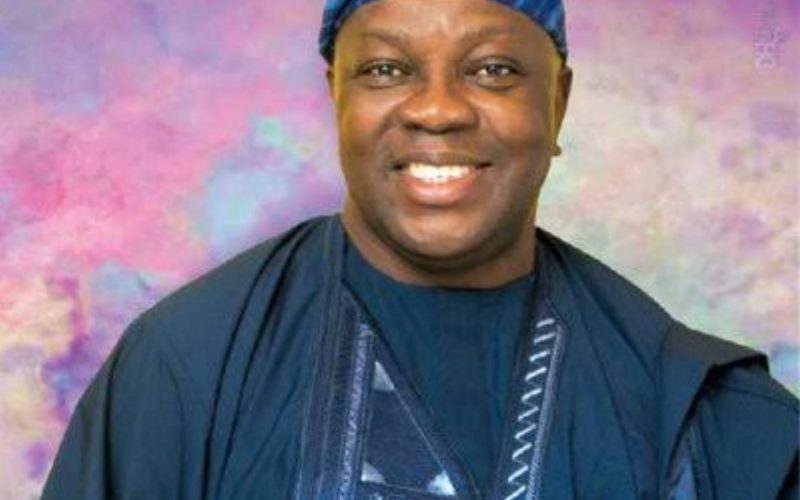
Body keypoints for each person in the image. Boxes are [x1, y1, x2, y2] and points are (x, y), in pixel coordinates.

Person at [41, 0, 798, 498]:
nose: (437, 109)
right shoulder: (185, 371)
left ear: (557, 101)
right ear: (336, 95)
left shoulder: (702, 415)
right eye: (386, 69)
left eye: (492, 69)